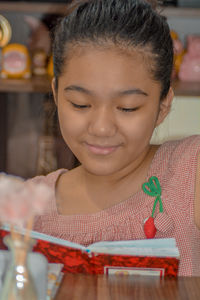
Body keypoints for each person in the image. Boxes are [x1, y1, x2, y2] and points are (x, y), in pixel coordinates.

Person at [30, 0, 200, 276]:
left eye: (127, 108)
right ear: (56, 93)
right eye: (80, 104)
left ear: (163, 106)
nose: (101, 128)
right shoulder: (26, 208)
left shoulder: (188, 173)